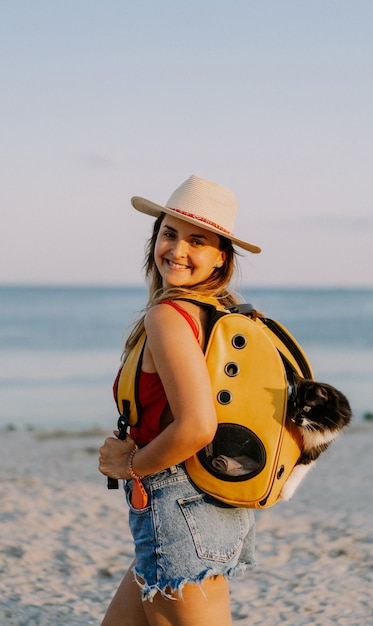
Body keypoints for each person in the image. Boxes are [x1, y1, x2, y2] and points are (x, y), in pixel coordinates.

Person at [99, 175, 261, 626]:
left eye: (198, 241)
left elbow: (196, 425)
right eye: (169, 233)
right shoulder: (224, 317)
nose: (177, 250)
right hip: (216, 501)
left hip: (179, 505)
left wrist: (130, 466)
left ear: (219, 257)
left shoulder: (169, 317)